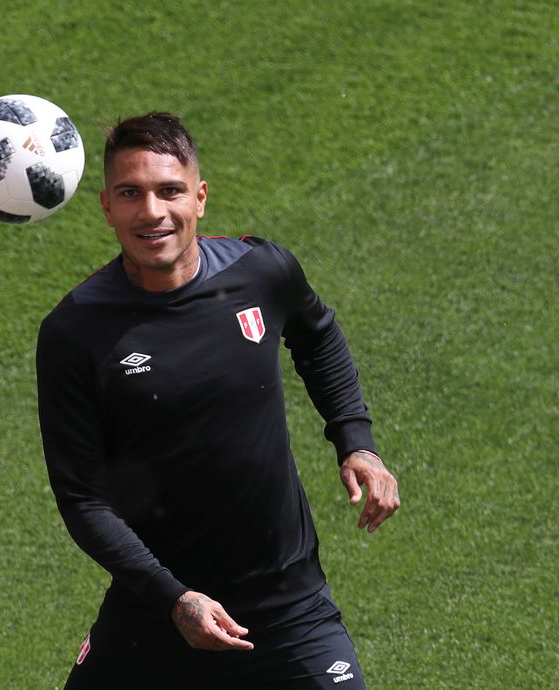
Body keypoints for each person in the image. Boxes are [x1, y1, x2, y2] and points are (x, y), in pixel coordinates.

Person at [36, 112, 400, 689]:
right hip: (153, 613)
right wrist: (173, 597)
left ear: (200, 198)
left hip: (287, 606)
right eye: (131, 194)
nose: (152, 212)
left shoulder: (261, 271)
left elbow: (317, 333)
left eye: (170, 191)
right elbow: (82, 499)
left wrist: (357, 442)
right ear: (106, 207)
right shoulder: (76, 331)